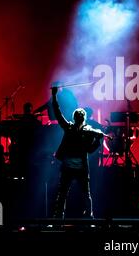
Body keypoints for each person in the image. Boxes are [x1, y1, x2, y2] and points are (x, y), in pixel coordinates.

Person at [51, 87, 111, 219]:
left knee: (75, 194)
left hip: (77, 168)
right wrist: (98, 140)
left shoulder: (80, 130)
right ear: (80, 118)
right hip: (72, 167)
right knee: (73, 194)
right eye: (78, 117)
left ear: (79, 118)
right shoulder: (74, 129)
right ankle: (81, 218)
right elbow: (57, 112)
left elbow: (57, 112)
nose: (78, 119)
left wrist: (98, 140)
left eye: (79, 117)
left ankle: (83, 218)